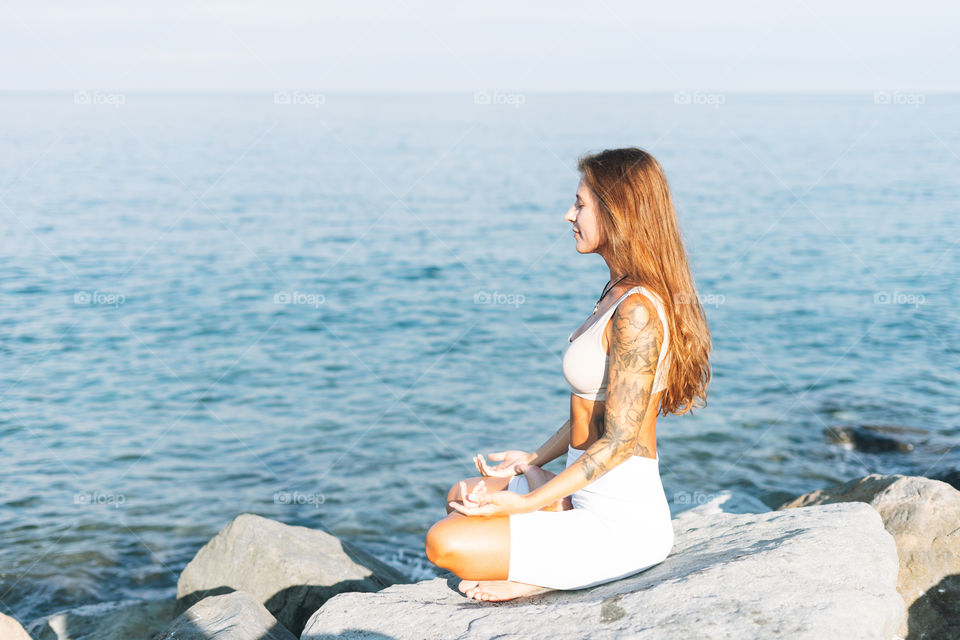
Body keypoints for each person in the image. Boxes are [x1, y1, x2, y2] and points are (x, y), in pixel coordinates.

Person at [424, 147, 712, 602]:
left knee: (445, 543)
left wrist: (526, 502)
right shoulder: (616, 292)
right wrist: (534, 458)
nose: (568, 214)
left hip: (621, 521)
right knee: (462, 494)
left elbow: (618, 442)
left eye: (580, 203)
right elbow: (594, 405)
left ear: (618, 213)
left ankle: (548, 572)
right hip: (582, 494)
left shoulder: (638, 311)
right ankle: (554, 537)